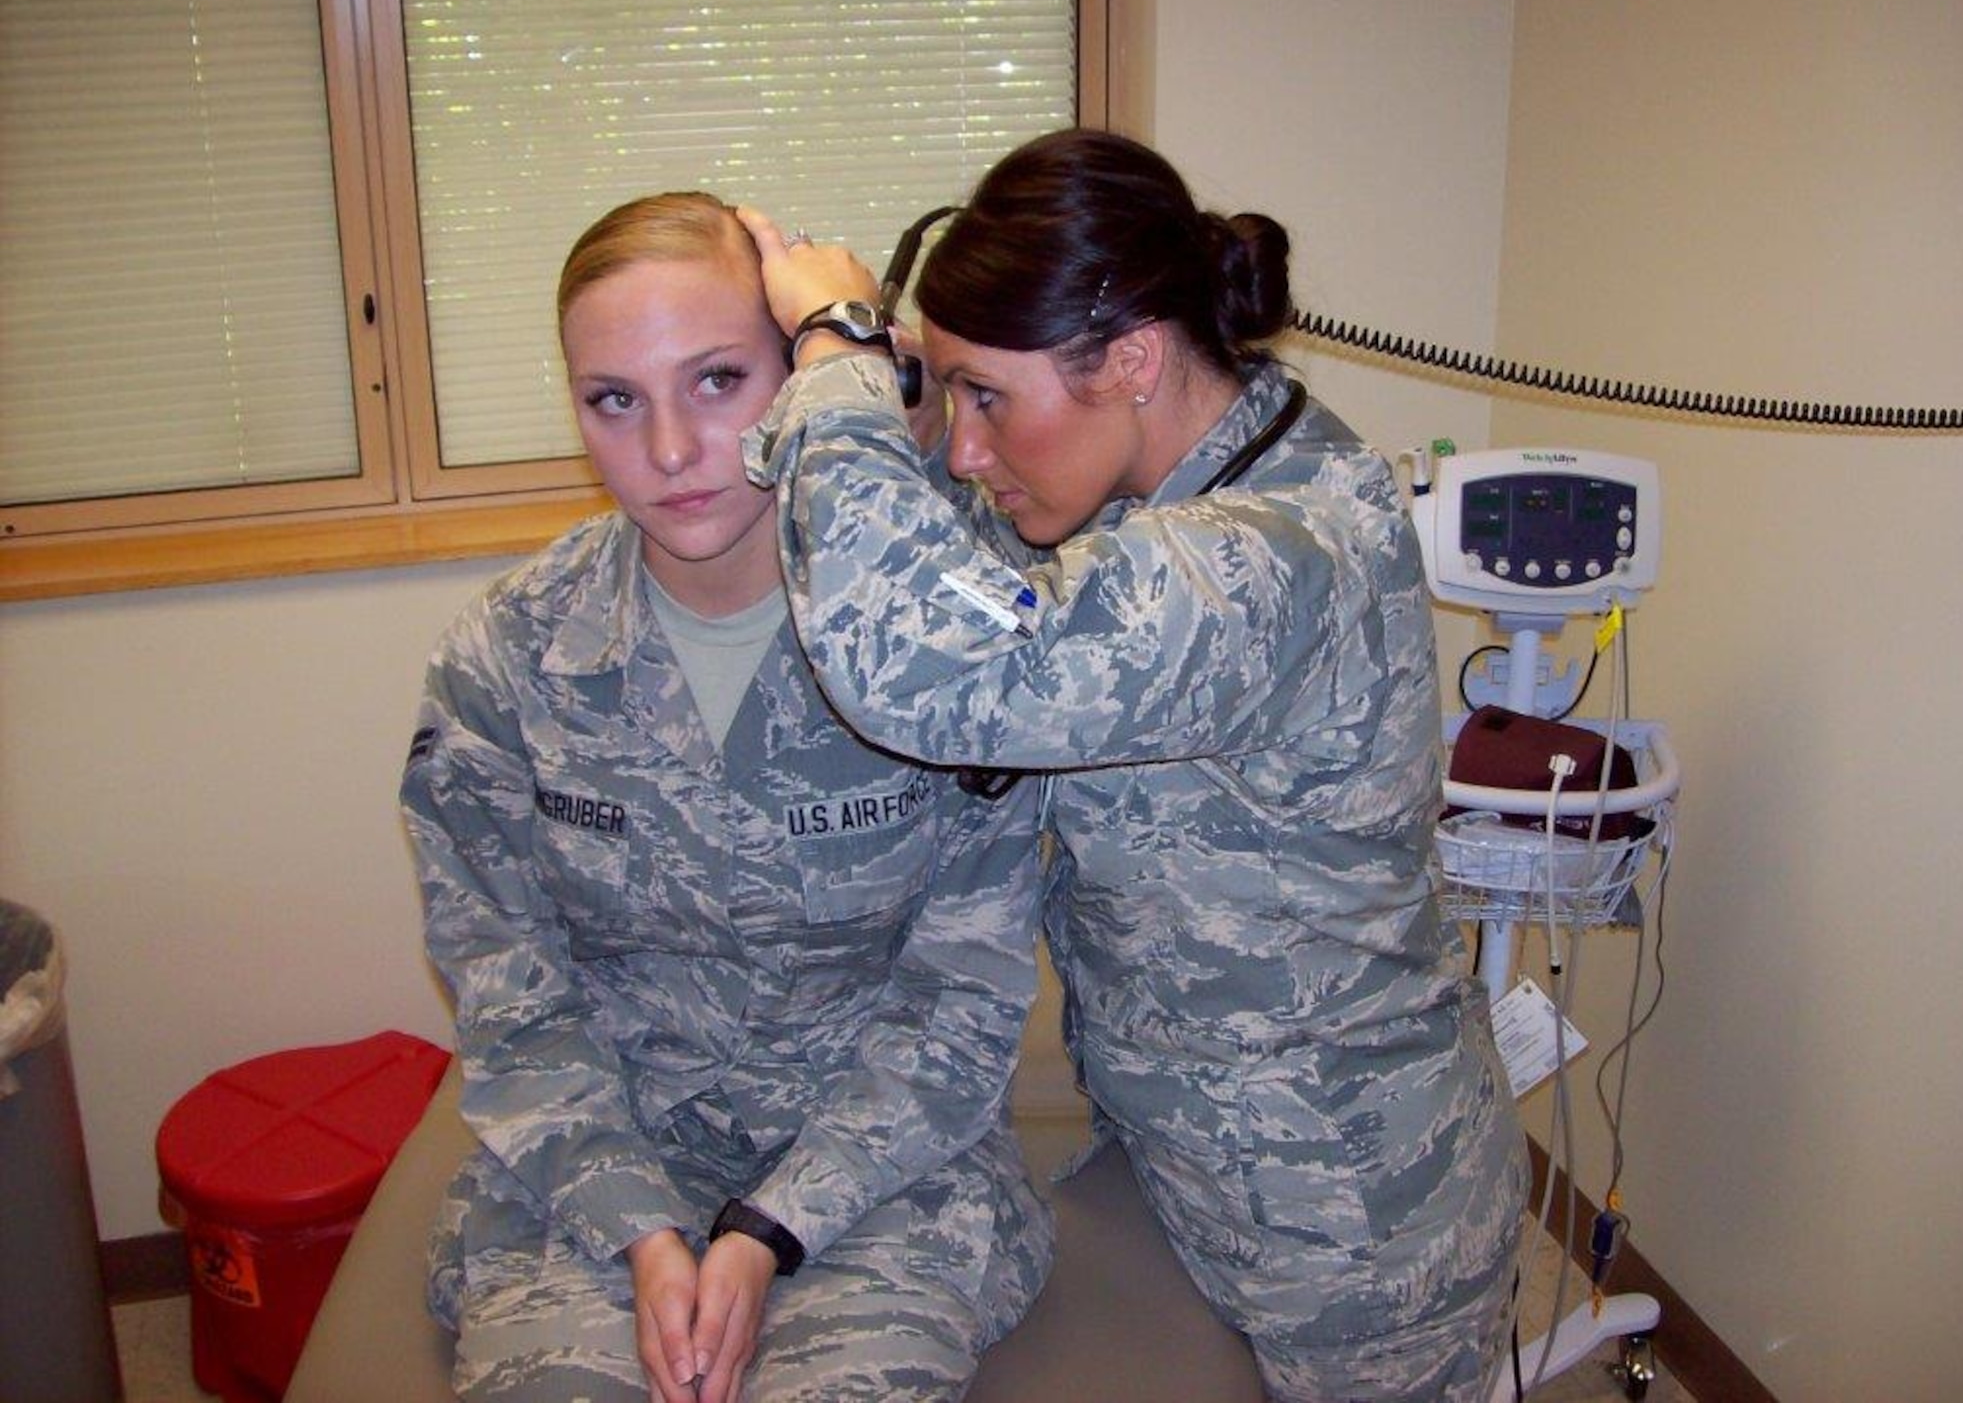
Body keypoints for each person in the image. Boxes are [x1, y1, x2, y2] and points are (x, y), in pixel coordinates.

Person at [736, 129, 1530, 1403]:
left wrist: (829, 362)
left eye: (986, 398)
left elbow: (931, 667)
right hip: (1190, 1161)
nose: (962, 450)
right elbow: (974, 586)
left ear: (1134, 359)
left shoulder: (1272, 553)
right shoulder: (1159, 476)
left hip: (1348, 1233)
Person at [400, 191, 1053, 1403]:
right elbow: (512, 1001)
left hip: (868, 1179)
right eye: (614, 400)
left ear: (801, 378)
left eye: (715, 381)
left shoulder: (940, 653)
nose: (667, 451)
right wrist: (647, 1233)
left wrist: (768, 1231)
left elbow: (959, 1000)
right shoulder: (506, 661)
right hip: (597, 1174)